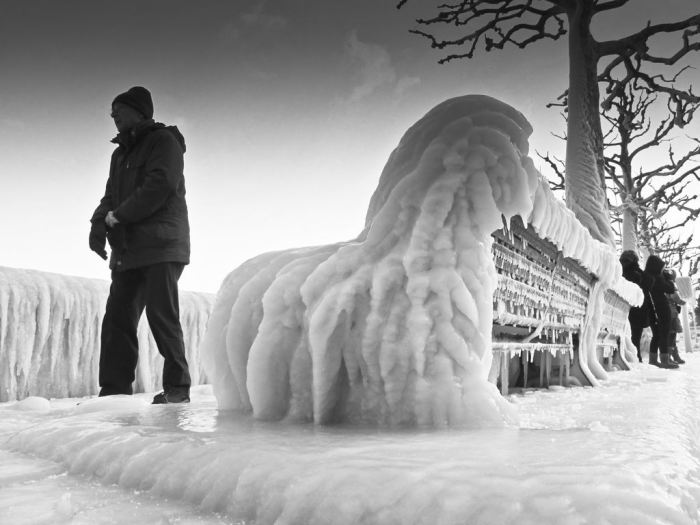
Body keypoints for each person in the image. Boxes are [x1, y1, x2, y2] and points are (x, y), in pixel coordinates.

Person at [88, 86, 192, 403]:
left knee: (162, 315)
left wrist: (119, 216)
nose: (113, 115)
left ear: (139, 111)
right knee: (118, 317)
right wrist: (97, 222)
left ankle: (177, 388)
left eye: (118, 108)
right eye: (111, 110)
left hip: (161, 245)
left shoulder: (164, 142)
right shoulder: (119, 155)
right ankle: (114, 390)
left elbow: (161, 184)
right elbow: (110, 195)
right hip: (129, 250)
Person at [643, 255, 678, 369]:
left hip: (652, 310)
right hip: (661, 309)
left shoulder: (647, 276)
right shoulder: (657, 278)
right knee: (664, 334)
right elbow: (670, 288)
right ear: (656, 266)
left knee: (657, 335)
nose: (663, 269)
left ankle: (653, 360)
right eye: (662, 267)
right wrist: (668, 279)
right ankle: (664, 360)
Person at [619, 250, 654, 362]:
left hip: (624, 308)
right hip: (637, 308)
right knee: (635, 336)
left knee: (630, 335)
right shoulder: (636, 273)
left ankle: (633, 356)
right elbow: (649, 283)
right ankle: (635, 357)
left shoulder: (621, 271)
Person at [664, 269, 686, 364]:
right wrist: (683, 301)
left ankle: (674, 356)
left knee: (670, 335)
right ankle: (670, 357)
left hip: (665, 312)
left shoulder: (661, 284)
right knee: (672, 336)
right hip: (672, 313)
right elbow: (676, 298)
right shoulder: (669, 285)